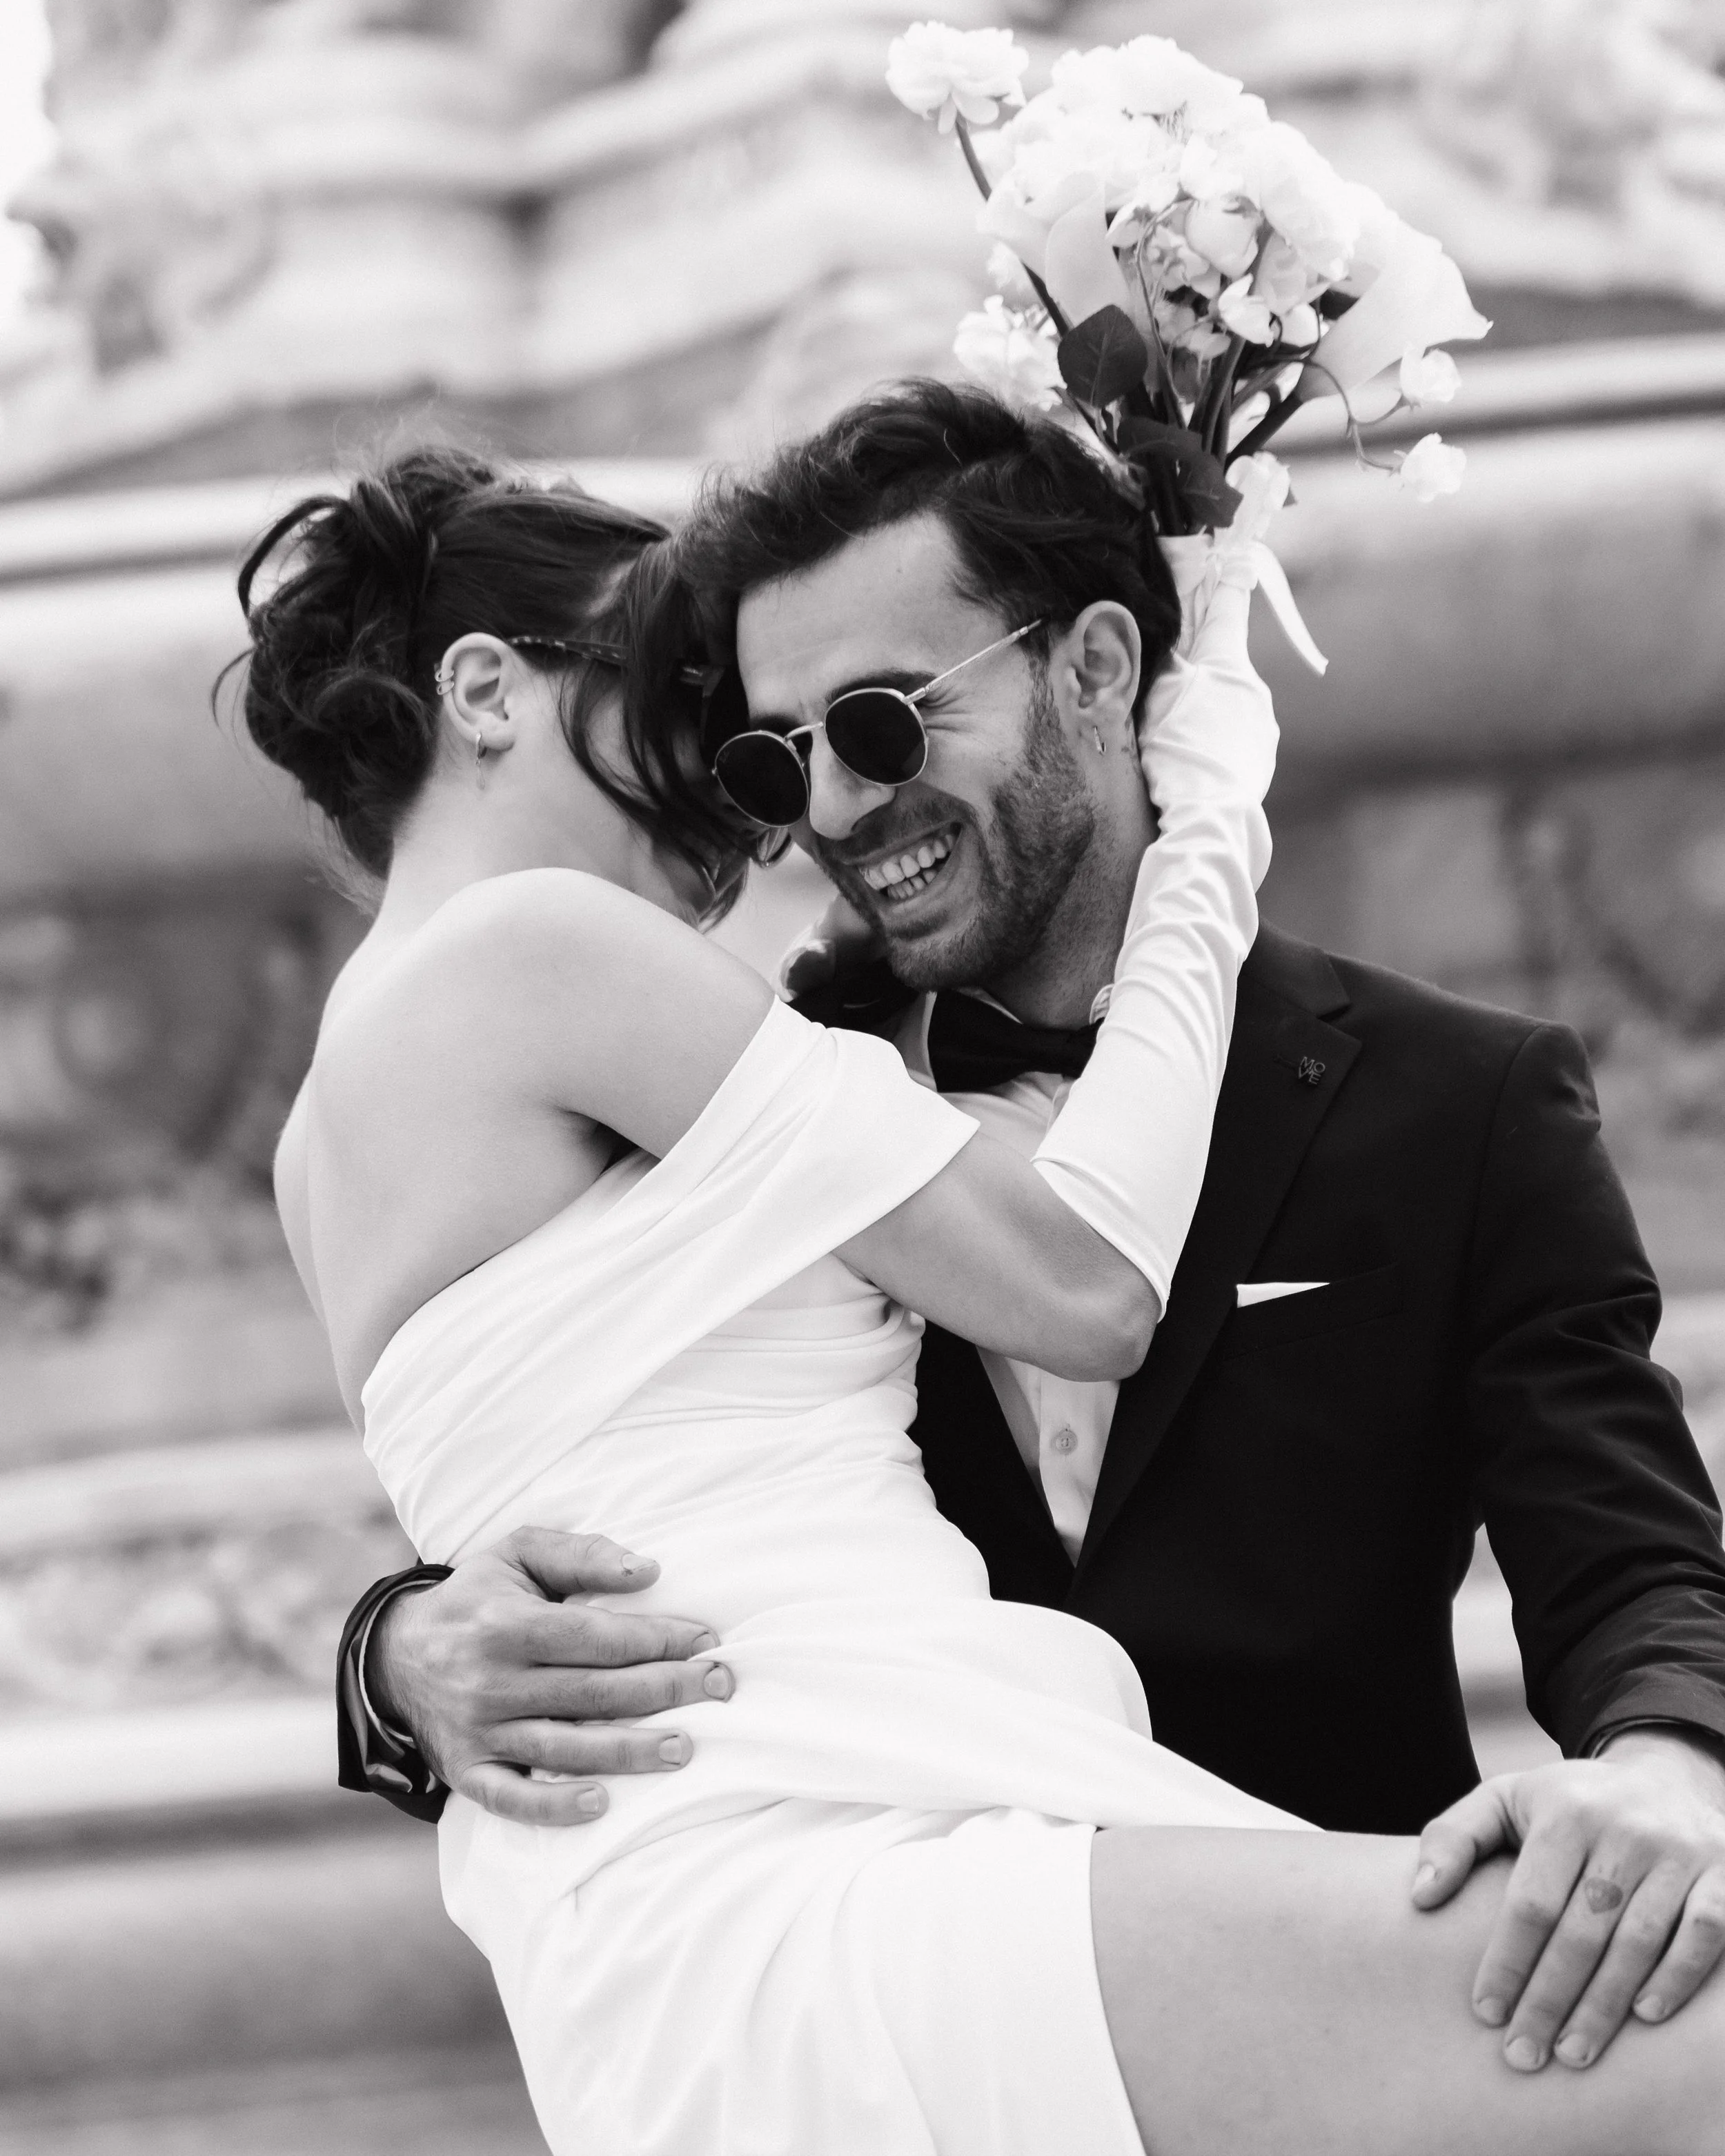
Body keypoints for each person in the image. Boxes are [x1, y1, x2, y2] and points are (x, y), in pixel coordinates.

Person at [246, 433, 1724, 2156]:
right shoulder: (628, 996)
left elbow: (1628, 1548)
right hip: (868, 1876)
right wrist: (1207, 831)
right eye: (739, 737)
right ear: (485, 689)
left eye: (878, 722)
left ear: (1095, 670)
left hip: (878, 1915)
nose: (791, 808)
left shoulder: (1453, 1101)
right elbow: (1076, 1282)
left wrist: (1671, 1762)